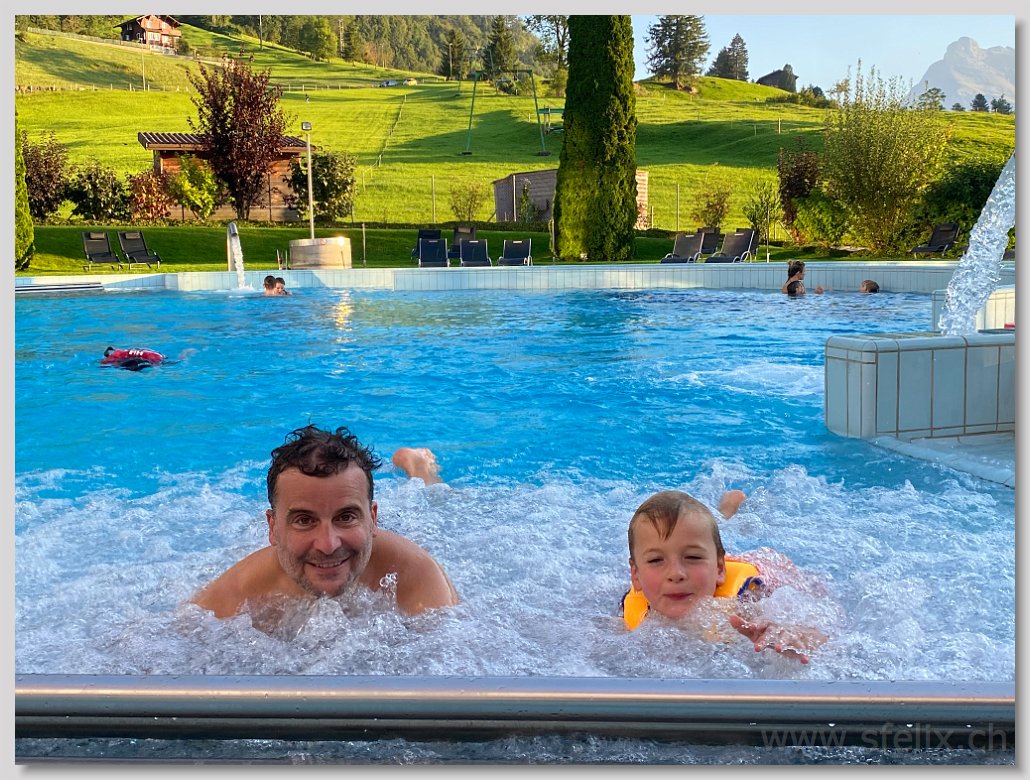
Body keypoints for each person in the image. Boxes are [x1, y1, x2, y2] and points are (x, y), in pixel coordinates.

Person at [192, 425, 459, 629]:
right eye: (304, 520)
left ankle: (420, 469)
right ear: (273, 528)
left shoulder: (417, 577)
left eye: (346, 517)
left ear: (373, 519)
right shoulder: (235, 596)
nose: (328, 545)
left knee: (429, 498)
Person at [622, 489, 828, 664]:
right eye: (656, 560)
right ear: (636, 576)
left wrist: (790, 637)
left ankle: (728, 510)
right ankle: (725, 512)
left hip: (763, 566)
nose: (676, 574)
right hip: (713, 557)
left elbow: (821, 637)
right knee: (700, 538)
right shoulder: (632, 612)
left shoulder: (738, 608)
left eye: (692, 557)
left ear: (720, 570)